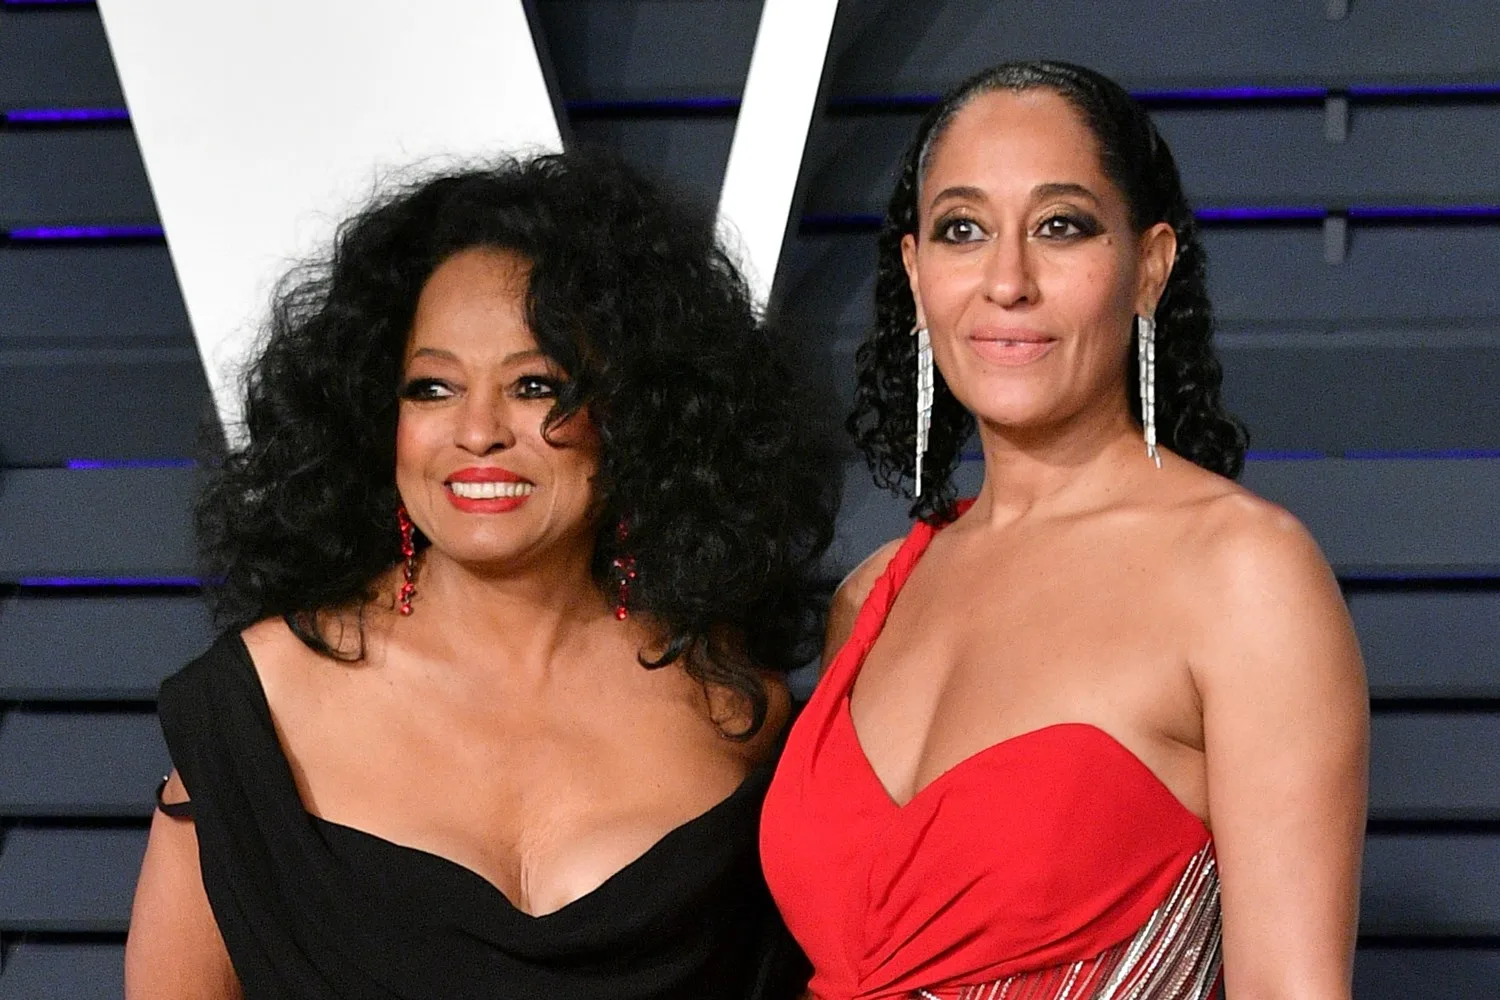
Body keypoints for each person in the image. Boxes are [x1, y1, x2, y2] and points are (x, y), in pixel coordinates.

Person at [125, 149, 835, 999]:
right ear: (371, 415)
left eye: (537, 385)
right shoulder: (253, 710)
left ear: (640, 411)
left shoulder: (738, 709)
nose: (478, 431)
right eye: (431, 389)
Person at [760, 61, 1368, 999]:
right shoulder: (874, 596)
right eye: (964, 230)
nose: (1008, 280)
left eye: (1061, 227)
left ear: (1149, 266)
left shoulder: (1243, 575)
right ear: (917, 272)